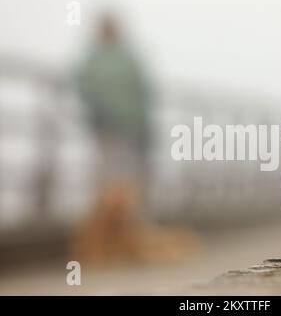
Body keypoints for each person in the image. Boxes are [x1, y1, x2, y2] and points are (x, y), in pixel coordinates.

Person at [72, 13, 197, 266]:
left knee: (123, 186)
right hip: (114, 129)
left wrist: (140, 122)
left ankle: (127, 241)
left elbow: (141, 90)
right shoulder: (100, 59)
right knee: (116, 186)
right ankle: (117, 242)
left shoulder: (114, 58)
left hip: (127, 129)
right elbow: (91, 88)